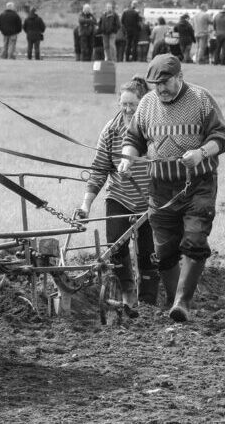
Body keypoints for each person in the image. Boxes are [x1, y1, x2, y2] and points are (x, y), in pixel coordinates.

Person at [118, 54, 225, 322]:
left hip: (198, 184)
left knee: (194, 239)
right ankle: (173, 302)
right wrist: (127, 156)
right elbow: (133, 137)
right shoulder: (146, 104)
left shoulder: (201, 100)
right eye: (155, 84)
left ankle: (183, 303)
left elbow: (221, 137)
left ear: (180, 77)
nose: (160, 89)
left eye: (165, 82)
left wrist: (202, 152)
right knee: (164, 251)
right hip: (161, 187)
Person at [77, 76, 158, 308]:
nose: (128, 109)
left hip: (150, 199)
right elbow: (99, 170)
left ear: (144, 104)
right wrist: (86, 205)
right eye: (124, 104)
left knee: (149, 253)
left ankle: (149, 303)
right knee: (115, 245)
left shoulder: (154, 128)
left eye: (133, 104)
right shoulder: (111, 130)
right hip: (120, 196)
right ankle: (128, 292)